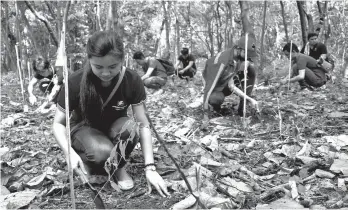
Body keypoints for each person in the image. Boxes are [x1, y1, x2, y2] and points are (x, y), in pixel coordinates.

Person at [52, 31, 169, 197]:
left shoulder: (132, 80)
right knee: (101, 152)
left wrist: (150, 168)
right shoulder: (75, 82)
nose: (105, 73)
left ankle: (117, 167)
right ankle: (92, 160)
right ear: (89, 60)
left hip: (115, 126)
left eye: (113, 67)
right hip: (84, 128)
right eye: (98, 67)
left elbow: (143, 123)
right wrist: (69, 153)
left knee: (131, 128)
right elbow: (58, 123)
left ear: (122, 60)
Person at [202, 34, 259, 118]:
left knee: (251, 68)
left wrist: (249, 99)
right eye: (247, 55)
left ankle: (243, 108)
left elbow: (231, 86)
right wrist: (205, 115)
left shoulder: (235, 59)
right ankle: (215, 108)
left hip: (223, 84)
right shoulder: (222, 62)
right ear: (240, 50)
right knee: (216, 99)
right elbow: (208, 89)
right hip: (212, 86)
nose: (248, 58)